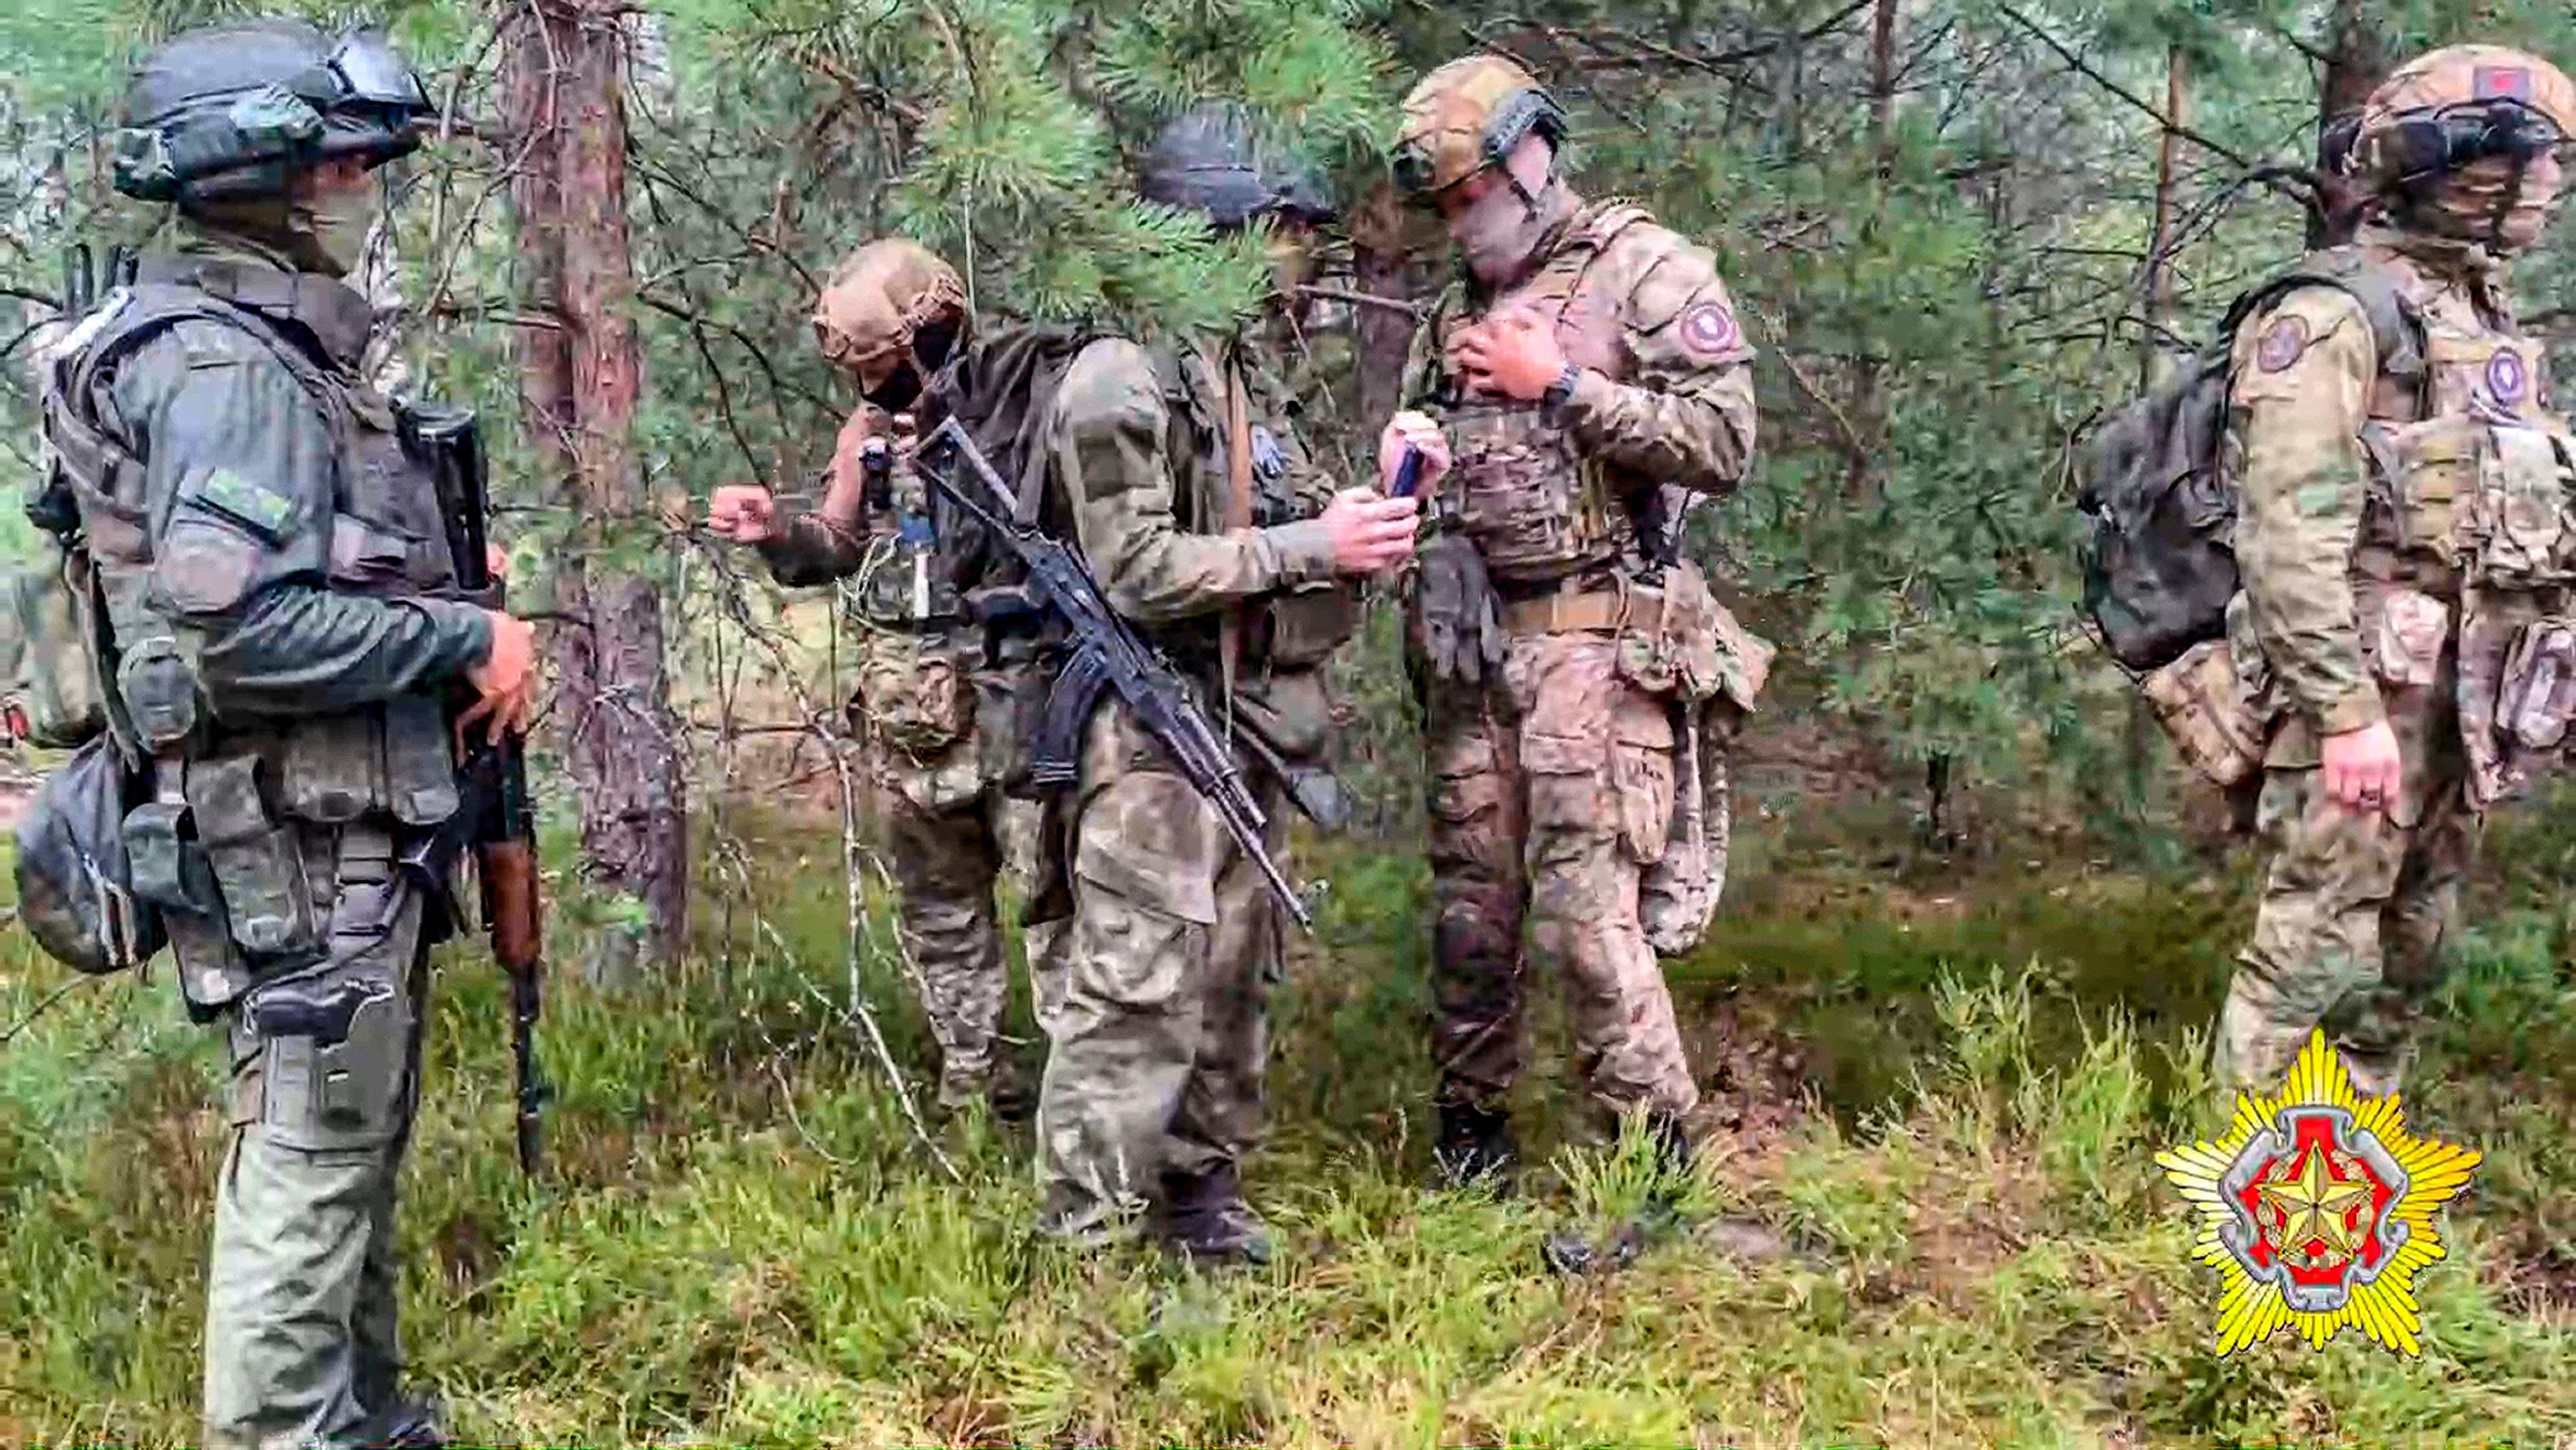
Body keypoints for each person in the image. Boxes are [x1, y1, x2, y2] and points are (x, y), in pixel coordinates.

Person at [38, 21, 539, 1446]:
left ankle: (363, 1416)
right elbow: (239, 631)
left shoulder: (238, 344)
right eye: (337, 163)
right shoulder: (228, 369)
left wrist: (435, 588)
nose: (357, 187)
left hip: (325, 823)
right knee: (313, 1152)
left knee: (352, 1140)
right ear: (265, 179)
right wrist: (465, 636)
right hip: (296, 834)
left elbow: (290, 577)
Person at [1029, 105, 1417, 1262]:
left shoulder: (1235, 372)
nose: (1302, 264)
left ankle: (1199, 1200)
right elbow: (1137, 569)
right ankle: (1084, 1248)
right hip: (1147, 729)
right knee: (1135, 991)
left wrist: (1383, 501)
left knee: (1235, 976)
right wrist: (1314, 551)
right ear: (1218, 231)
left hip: (1241, 717)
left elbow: (1277, 523)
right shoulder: (1117, 377)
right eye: (1286, 233)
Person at [1383, 54, 1769, 1192]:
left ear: (1531, 158)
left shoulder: (1643, 269)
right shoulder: (1454, 310)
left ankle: (1651, 1172)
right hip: (1480, 654)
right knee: (1471, 911)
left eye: (1473, 198)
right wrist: (1430, 521)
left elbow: (1725, 443)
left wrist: (1558, 384)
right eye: (1444, 210)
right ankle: (1473, 1144)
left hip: (1598, 645)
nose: (1462, 228)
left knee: (1589, 919)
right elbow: (1424, 456)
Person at [2215, 45, 2576, 1097]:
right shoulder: (2331, 316)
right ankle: (2247, 1224)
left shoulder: (2480, 315)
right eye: (2537, 165)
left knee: (2412, 949)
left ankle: (2342, 1192)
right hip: (2369, 692)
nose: (2550, 189)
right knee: (2311, 952)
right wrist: (2339, 712)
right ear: (2467, 168)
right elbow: (2286, 533)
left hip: (2460, 697)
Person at [706, 240, 1034, 1119]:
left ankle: (1085, 1097)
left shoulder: (1018, 404)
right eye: (870, 376)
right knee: (942, 913)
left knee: (1056, 903)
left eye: (894, 369)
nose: (883, 390)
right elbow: (834, 546)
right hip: (915, 722)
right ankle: (976, 1088)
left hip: (1019, 708)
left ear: (942, 327)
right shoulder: (868, 435)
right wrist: (776, 530)